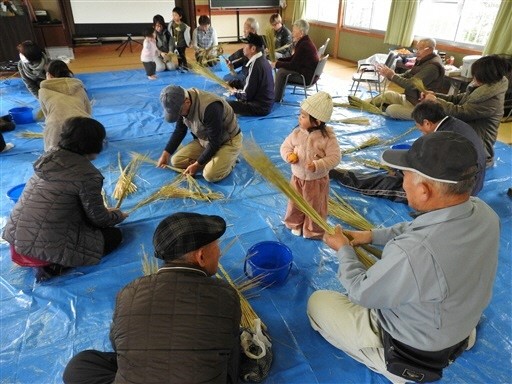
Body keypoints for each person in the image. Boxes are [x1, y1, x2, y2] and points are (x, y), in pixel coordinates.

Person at [307, 131, 499, 383]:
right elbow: (418, 228)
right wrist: (370, 236)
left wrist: (343, 249)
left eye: (404, 177)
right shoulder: (483, 212)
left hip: (416, 349)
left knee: (318, 303)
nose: (402, 183)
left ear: (424, 190)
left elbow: (361, 293)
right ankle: (460, 340)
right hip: (459, 324)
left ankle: (393, 369)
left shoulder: (415, 253)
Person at [63, 212, 241, 384]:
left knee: (80, 366)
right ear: (201, 256)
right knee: (234, 343)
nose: (220, 253)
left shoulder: (129, 292)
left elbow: (117, 344)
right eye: (217, 246)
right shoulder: (225, 294)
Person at [2, 117, 128, 282]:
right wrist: (117, 215)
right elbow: (99, 219)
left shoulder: (48, 158)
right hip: (41, 252)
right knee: (114, 235)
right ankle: (55, 266)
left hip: (17, 242)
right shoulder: (87, 175)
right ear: (94, 144)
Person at [330, 100, 486, 202]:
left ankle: (345, 178)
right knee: (397, 173)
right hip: (467, 183)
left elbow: (427, 171)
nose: (421, 132)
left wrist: (400, 174)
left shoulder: (441, 142)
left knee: (389, 184)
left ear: (427, 123)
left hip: (456, 194)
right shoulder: (453, 124)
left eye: (420, 128)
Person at [422, 54, 510, 167]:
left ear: (486, 77)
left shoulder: (491, 100)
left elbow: (460, 113)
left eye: (475, 76)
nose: (473, 78)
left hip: (479, 148)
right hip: (467, 134)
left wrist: (435, 101)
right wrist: (435, 96)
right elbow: (457, 99)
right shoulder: (484, 87)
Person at [280, 91, 341, 239]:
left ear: (317, 121)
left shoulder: (327, 138)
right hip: (297, 178)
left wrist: (318, 165)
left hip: (316, 181)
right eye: (300, 114)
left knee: (315, 206)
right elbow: (284, 147)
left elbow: (335, 157)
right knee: (295, 202)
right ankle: (294, 223)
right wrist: (288, 155)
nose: (299, 118)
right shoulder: (296, 133)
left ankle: (313, 230)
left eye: (303, 116)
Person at [157, 85, 243, 182]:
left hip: (227, 141)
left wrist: (198, 164)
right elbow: (180, 131)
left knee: (210, 175)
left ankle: (232, 160)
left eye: (179, 112)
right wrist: (166, 154)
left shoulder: (210, 107)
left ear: (187, 102)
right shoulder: (180, 101)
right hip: (205, 140)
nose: (179, 115)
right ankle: (216, 160)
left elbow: (215, 142)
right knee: (176, 161)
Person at [369, 38, 445, 120]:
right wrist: (389, 74)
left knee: (391, 110)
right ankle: (361, 103)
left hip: (420, 107)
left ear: (430, 49)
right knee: (386, 95)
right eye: (416, 48)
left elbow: (411, 85)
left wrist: (392, 76)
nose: (417, 52)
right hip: (409, 99)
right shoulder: (423, 60)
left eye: (420, 49)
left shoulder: (432, 67)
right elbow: (408, 74)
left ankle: (418, 116)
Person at [39, 59, 92, 151]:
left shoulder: (43, 91)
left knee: (53, 153)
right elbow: (88, 110)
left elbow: (47, 114)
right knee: (83, 151)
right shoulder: (79, 87)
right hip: (82, 124)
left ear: (49, 75)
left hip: (56, 126)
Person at [226, 33, 275, 116]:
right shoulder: (261, 60)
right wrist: (233, 84)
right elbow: (249, 82)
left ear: (253, 49)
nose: (243, 48)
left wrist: (235, 93)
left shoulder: (255, 65)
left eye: (245, 46)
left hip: (260, 107)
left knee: (226, 105)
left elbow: (246, 95)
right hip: (266, 103)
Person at [272, 19, 319, 103]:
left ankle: (276, 98)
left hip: (306, 78)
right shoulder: (304, 41)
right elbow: (293, 58)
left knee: (281, 72)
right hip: (309, 74)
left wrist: (278, 64)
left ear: (301, 33)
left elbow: (293, 65)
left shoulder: (303, 45)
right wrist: (279, 60)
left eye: (294, 31)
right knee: (282, 69)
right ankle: (277, 95)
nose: (292, 34)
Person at [223, 17, 259, 88]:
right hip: (244, 72)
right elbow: (243, 57)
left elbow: (242, 54)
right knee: (226, 78)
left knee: (227, 80)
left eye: (246, 29)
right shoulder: (251, 41)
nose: (244, 31)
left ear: (253, 31)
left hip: (248, 75)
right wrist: (233, 64)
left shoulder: (255, 45)